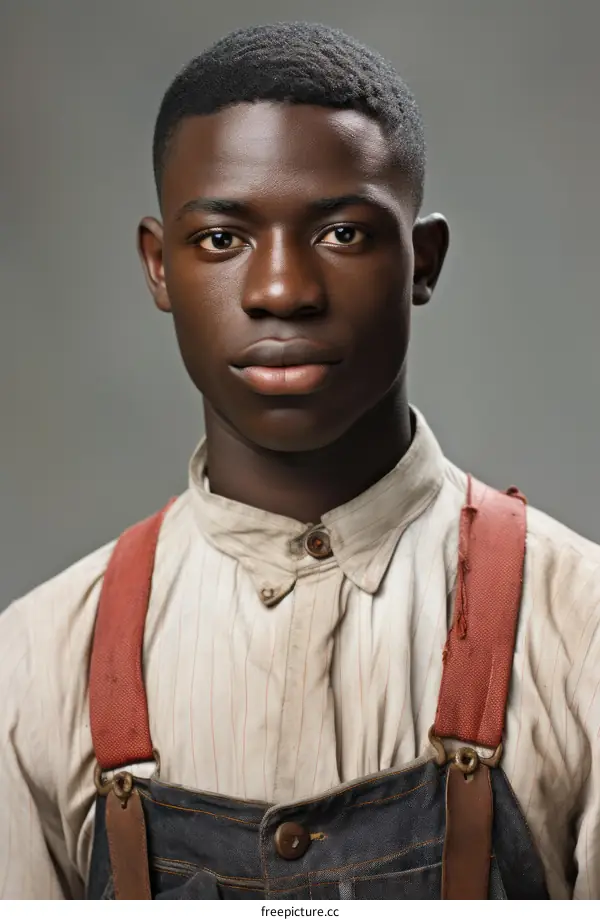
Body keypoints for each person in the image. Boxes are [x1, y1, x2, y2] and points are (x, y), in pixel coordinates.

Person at [0, 21, 598, 901]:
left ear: (421, 262)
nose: (282, 290)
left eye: (344, 234)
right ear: (158, 267)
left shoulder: (580, 632)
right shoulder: (37, 662)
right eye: (220, 240)